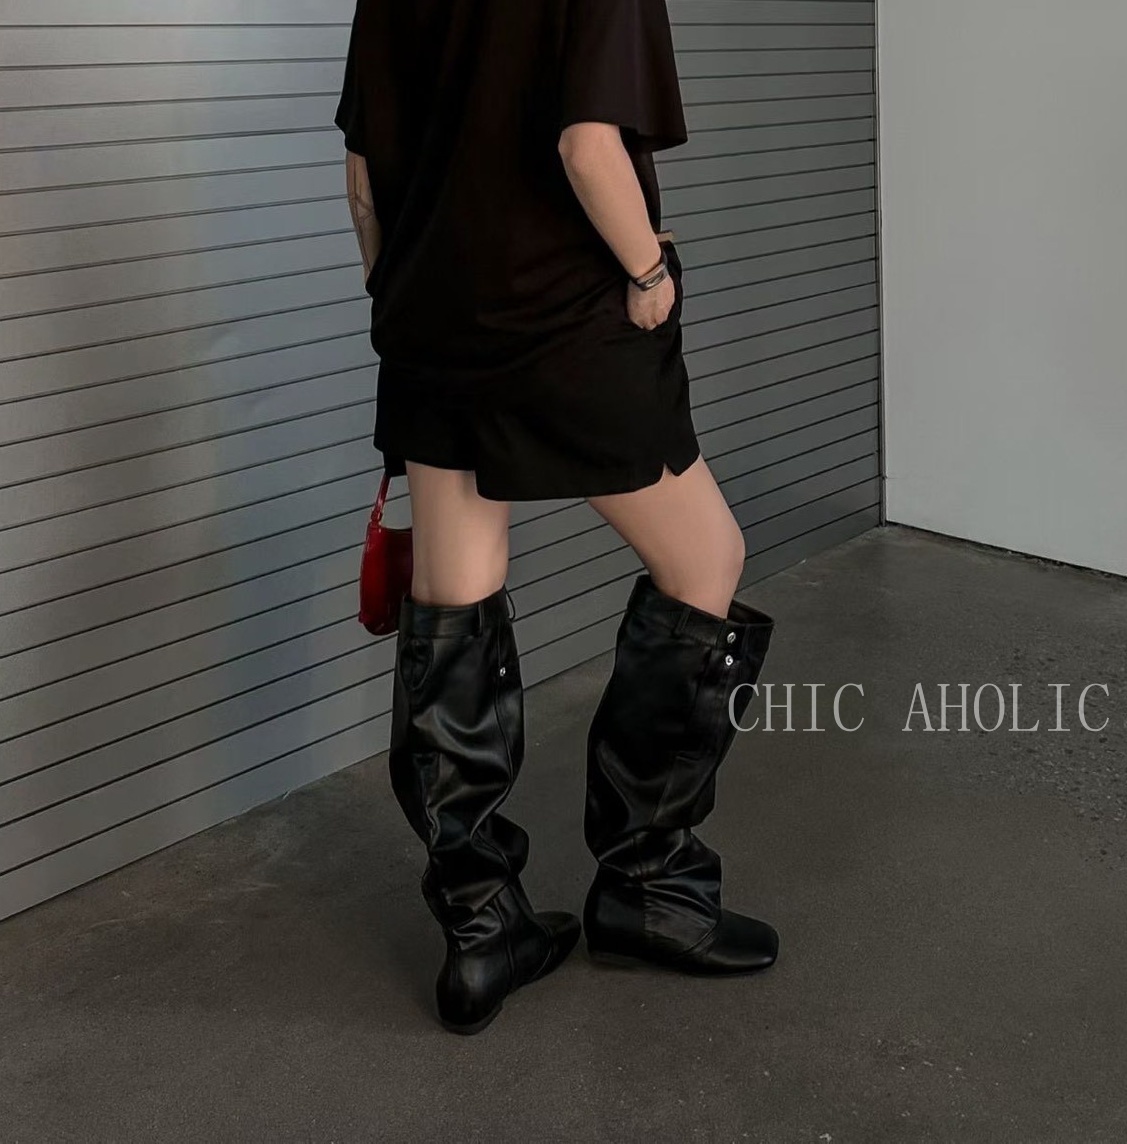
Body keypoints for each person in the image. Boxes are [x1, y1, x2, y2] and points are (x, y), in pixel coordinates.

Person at [335, 0, 779, 1036]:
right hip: (564, 318)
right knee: (705, 560)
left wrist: (400, 294)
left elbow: (362, 175)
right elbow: (586, 146)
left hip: (431, 327)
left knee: (454, 599)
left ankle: (480, 929)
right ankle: (648, 889)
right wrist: (647, 272)